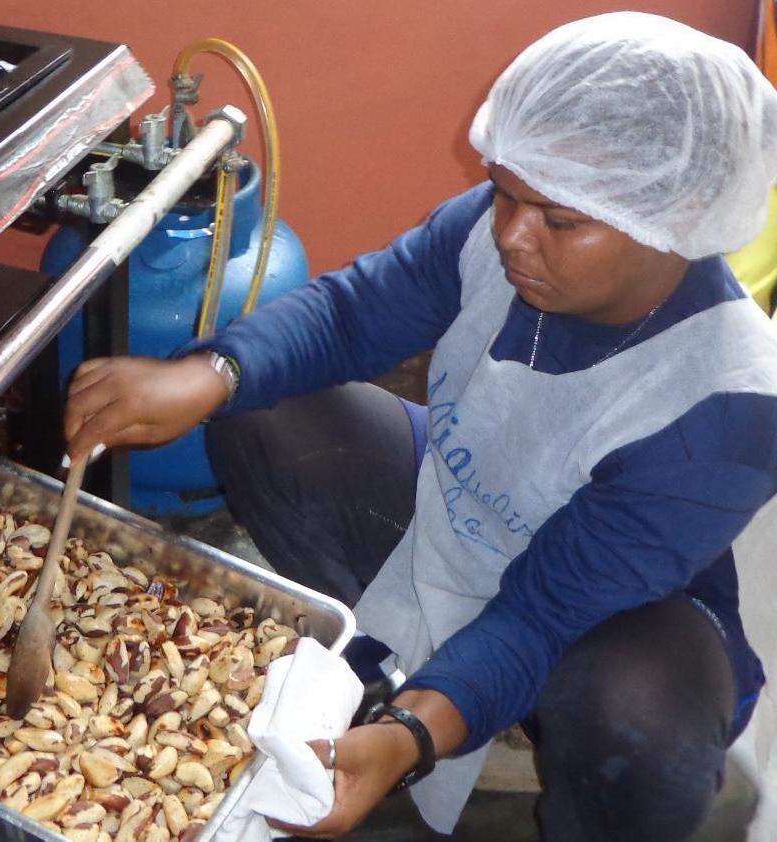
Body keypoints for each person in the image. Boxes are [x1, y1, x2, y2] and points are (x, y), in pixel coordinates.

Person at [63, 13, 777, 841]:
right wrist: (209, 373)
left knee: (637, 723)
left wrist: (412, 738)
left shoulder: (728, 403)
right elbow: (352, 314)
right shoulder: (500, 226)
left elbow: (546, 612)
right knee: (261, 408)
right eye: (504, 192)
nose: (512, 235)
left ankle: (515, 735)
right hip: (471, 504)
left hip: (614, 616)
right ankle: (404, 665)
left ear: (680, 217)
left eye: (559, 221)